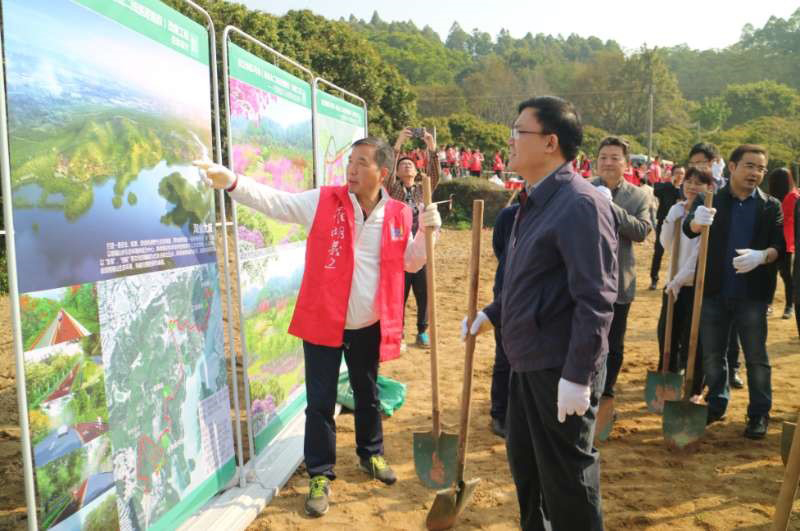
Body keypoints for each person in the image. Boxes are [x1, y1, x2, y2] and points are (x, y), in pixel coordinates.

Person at [194, 137, 443, 517]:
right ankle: (320, 474)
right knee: (320, 402)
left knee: (368, 393)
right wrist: (231, 181)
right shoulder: (325, 201)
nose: (352, 169)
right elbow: (277, 203)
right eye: (350, 161)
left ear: (383, 173)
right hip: (324, 321)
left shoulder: (398, 214)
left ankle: (370, 454)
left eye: (361, 162)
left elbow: (411, 262)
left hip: (368, 323)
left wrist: (429, 234)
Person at [462, 96, 617, 530]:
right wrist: (493, 313)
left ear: (551, 142)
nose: (510, 140)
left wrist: (577, 375)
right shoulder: (531, 202)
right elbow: (525, 277)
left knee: (566, 481)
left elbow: (596, 299)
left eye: (519, 131)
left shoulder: (580, 204)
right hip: (526, 360)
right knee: (529, 471)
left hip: (559, 367)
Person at [684, 144, 784, 438]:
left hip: (752, 295)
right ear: (731, 167)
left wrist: (761, 256)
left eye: (760, 168)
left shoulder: (770, 205)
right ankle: (716, 404)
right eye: (749, 166)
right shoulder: (711, 199)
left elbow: (779, 247)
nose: (755, 173)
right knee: (713, 356)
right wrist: (696, 221)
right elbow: (689, 230)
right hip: (714, 291)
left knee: (756, 357)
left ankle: (759, 413)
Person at [592, 136, 652, 414]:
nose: (608, 163)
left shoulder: (639, 196)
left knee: (613, 344)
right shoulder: (583, 188)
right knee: (583, 338)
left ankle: (606, 392)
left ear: (626, 164)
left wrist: (611, 208)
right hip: (584, 280)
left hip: (619, 282)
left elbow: (641, 231)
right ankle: (585, 387)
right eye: (603, 157)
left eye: (615, 158)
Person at [656, 167, 714, 400]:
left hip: (695, 286)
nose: (692, 186)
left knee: (694, 340)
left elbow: (698, 256)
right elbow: (666, 243)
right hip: (673, 283)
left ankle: (694, 389)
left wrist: (679, 280)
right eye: (689, 181)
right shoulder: (677, 210)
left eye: (698, 183)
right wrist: (672, 217)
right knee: (666, 334)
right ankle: (667, 383)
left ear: (709, 188)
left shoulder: (708, 214)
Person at [390, 128, 442, 348]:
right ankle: (397, 333)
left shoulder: (423, 190)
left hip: (422, 248)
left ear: (416, 171)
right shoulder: (393, 190)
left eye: (410, 164)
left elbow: (434, 174)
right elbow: (388, 171)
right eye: (402, 164)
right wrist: (399, 143)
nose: (407, 165)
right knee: (398, 294)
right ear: (397, 172)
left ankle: (422, 332)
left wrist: (431, 146)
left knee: (424, 293)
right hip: (398, 247)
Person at [487, 188, 528, 438]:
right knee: (504, 357)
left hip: (537, 299)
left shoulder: (556, 213)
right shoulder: (508, 216)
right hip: (506, 294)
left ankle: (522, 411)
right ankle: (499, 413)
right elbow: (500, 249)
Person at [766, 167, 796, 319]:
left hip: (784, 241)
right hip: (783, 240)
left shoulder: (793, 197)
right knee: (783, 275)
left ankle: (785, 305)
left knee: (781, 274)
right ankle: (787, 306)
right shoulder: (771, 199)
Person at [650, 166, 686, 290]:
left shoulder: (685, 189)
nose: (680, 175)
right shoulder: (666, 187)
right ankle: (654, 279)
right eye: (677, 173)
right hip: (664, 223)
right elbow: (656, 190)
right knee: (659, 251)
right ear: (672, 174)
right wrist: (670, 183)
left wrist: (678, 187)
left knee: (679, 252)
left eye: (682, 173)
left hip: (681, 225)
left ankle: (675, 279)